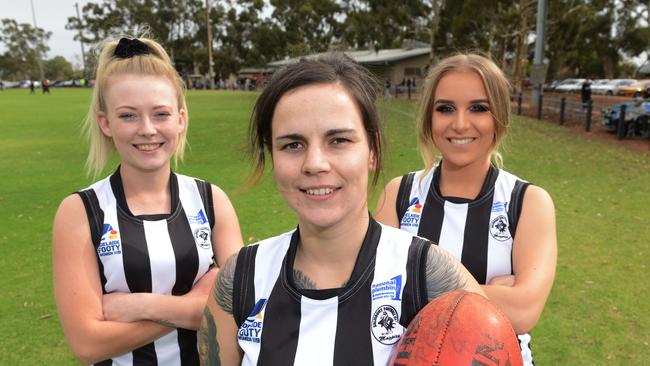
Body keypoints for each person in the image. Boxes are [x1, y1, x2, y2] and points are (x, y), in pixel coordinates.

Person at [198, 53, 485, 366]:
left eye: (338, 140)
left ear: (372, 151)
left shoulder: (428, 275)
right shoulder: (239, 279)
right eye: (293, 145)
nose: (315, 164)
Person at [52, 36, 243, 365]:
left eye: (161, 114)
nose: (147, 129)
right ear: (106, 123)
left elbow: (241, 308)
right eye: (128, 116)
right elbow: (88, 345)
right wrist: (197, 304)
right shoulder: (81, 212)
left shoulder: (211, 200)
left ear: (180, 119)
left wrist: (141, 307)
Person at [374, 53, 557, 366]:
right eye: (445, 108)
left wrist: (413, 287)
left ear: (499, 117)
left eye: (478, 108)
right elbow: (374, 297)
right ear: (429, 118)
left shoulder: (527, 202)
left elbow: (524, 311)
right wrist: (490, 294)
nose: (460, 124)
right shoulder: (399, 194)